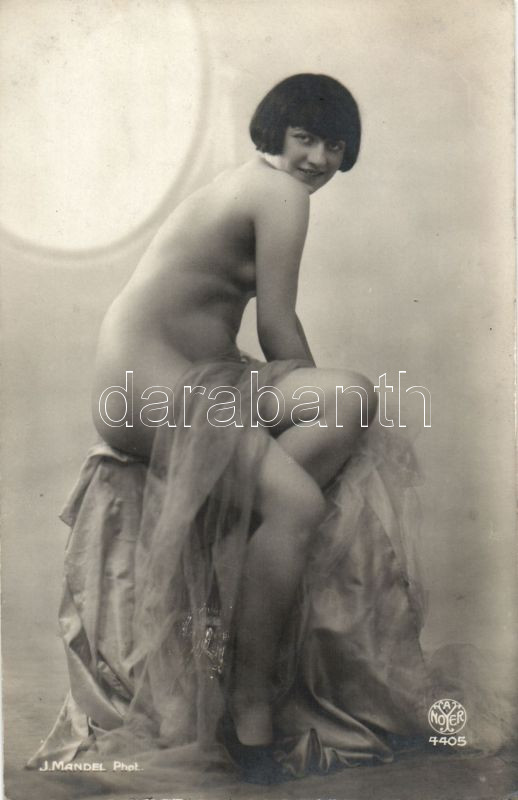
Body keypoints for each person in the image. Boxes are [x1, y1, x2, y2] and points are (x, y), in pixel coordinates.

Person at [28, 74, 429, 786]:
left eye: (335, 145)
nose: (318, 158)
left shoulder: (254, 184)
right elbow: (276, 326)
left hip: (189, 377)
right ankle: (251, 716)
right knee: (298, 502)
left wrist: (302, 403)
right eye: (305, 137)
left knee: (349, 398)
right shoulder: (281, 194)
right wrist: (294, 408)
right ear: (276, 131)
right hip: (150, 382)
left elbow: (274, 341)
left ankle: (241, 526)